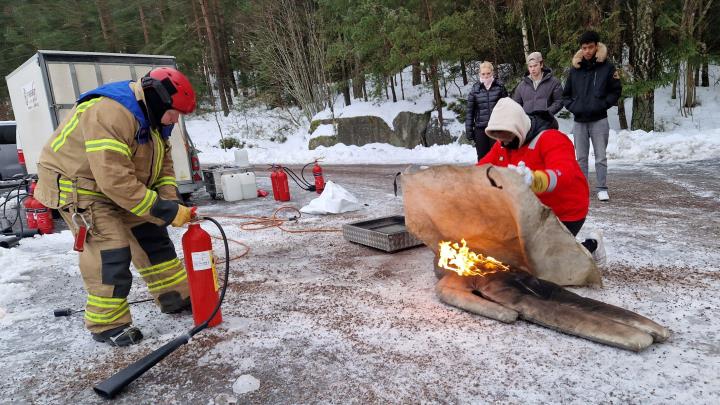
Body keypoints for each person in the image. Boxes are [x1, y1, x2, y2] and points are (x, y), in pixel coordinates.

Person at [34, 67, 197, 346]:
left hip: (116, 186)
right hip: (80, 187)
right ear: (158, 100)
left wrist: (169, 202)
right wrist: (164, 210)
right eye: (174, 113)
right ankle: (107, 324)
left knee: (153, 236)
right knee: (111, 249)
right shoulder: (110, 112)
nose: (175, 120)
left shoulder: (156, 121)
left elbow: (163, 169)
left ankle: (175, 296)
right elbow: (114, 179)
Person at [477, 97, 606, 265]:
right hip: (530, 211)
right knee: (508, 254)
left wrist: (535, 180)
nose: (503, 141)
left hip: (564, 211)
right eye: (497, 136)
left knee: (545, 266)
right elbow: (480, 169)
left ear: (518, 127)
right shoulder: (503, 144)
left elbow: (564, 173)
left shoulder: (551, 138)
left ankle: (592, 245)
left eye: (506, 134)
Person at [562, 31, 622, 201]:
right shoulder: (575, 69)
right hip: (580, 121)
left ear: (596, 46)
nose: (587, 51)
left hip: (599, 119)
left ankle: (602, 188)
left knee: (600, 156)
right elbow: (566, 95)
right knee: (581, 158)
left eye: (590, 47)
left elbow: (616, 90)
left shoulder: (607, 67)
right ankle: (582, 189)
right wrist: (575, 107)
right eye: (584, 48)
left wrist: (602, 104)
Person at [466, 61, 508, 161]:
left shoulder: (500, 87)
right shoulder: (475, 90)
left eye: (488, 73)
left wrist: (507, 128)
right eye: (483, 74)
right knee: (482, 158)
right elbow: (470, 112)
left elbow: (507, 108)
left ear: (492, 72)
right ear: (479, 74)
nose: (486, 76)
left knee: (498, 158)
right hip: (480, 129)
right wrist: (469, 130)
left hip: (497, 128)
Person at [511, 51, 563, 127]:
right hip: (528, 125)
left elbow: (559, 101)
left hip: (546, 123)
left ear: (541, 64)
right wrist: (523, 117)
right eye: (530, 66)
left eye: (535, 66)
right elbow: (516, 105)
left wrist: (547, 113)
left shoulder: (553, 82)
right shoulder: (522, 85)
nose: (533, 69)